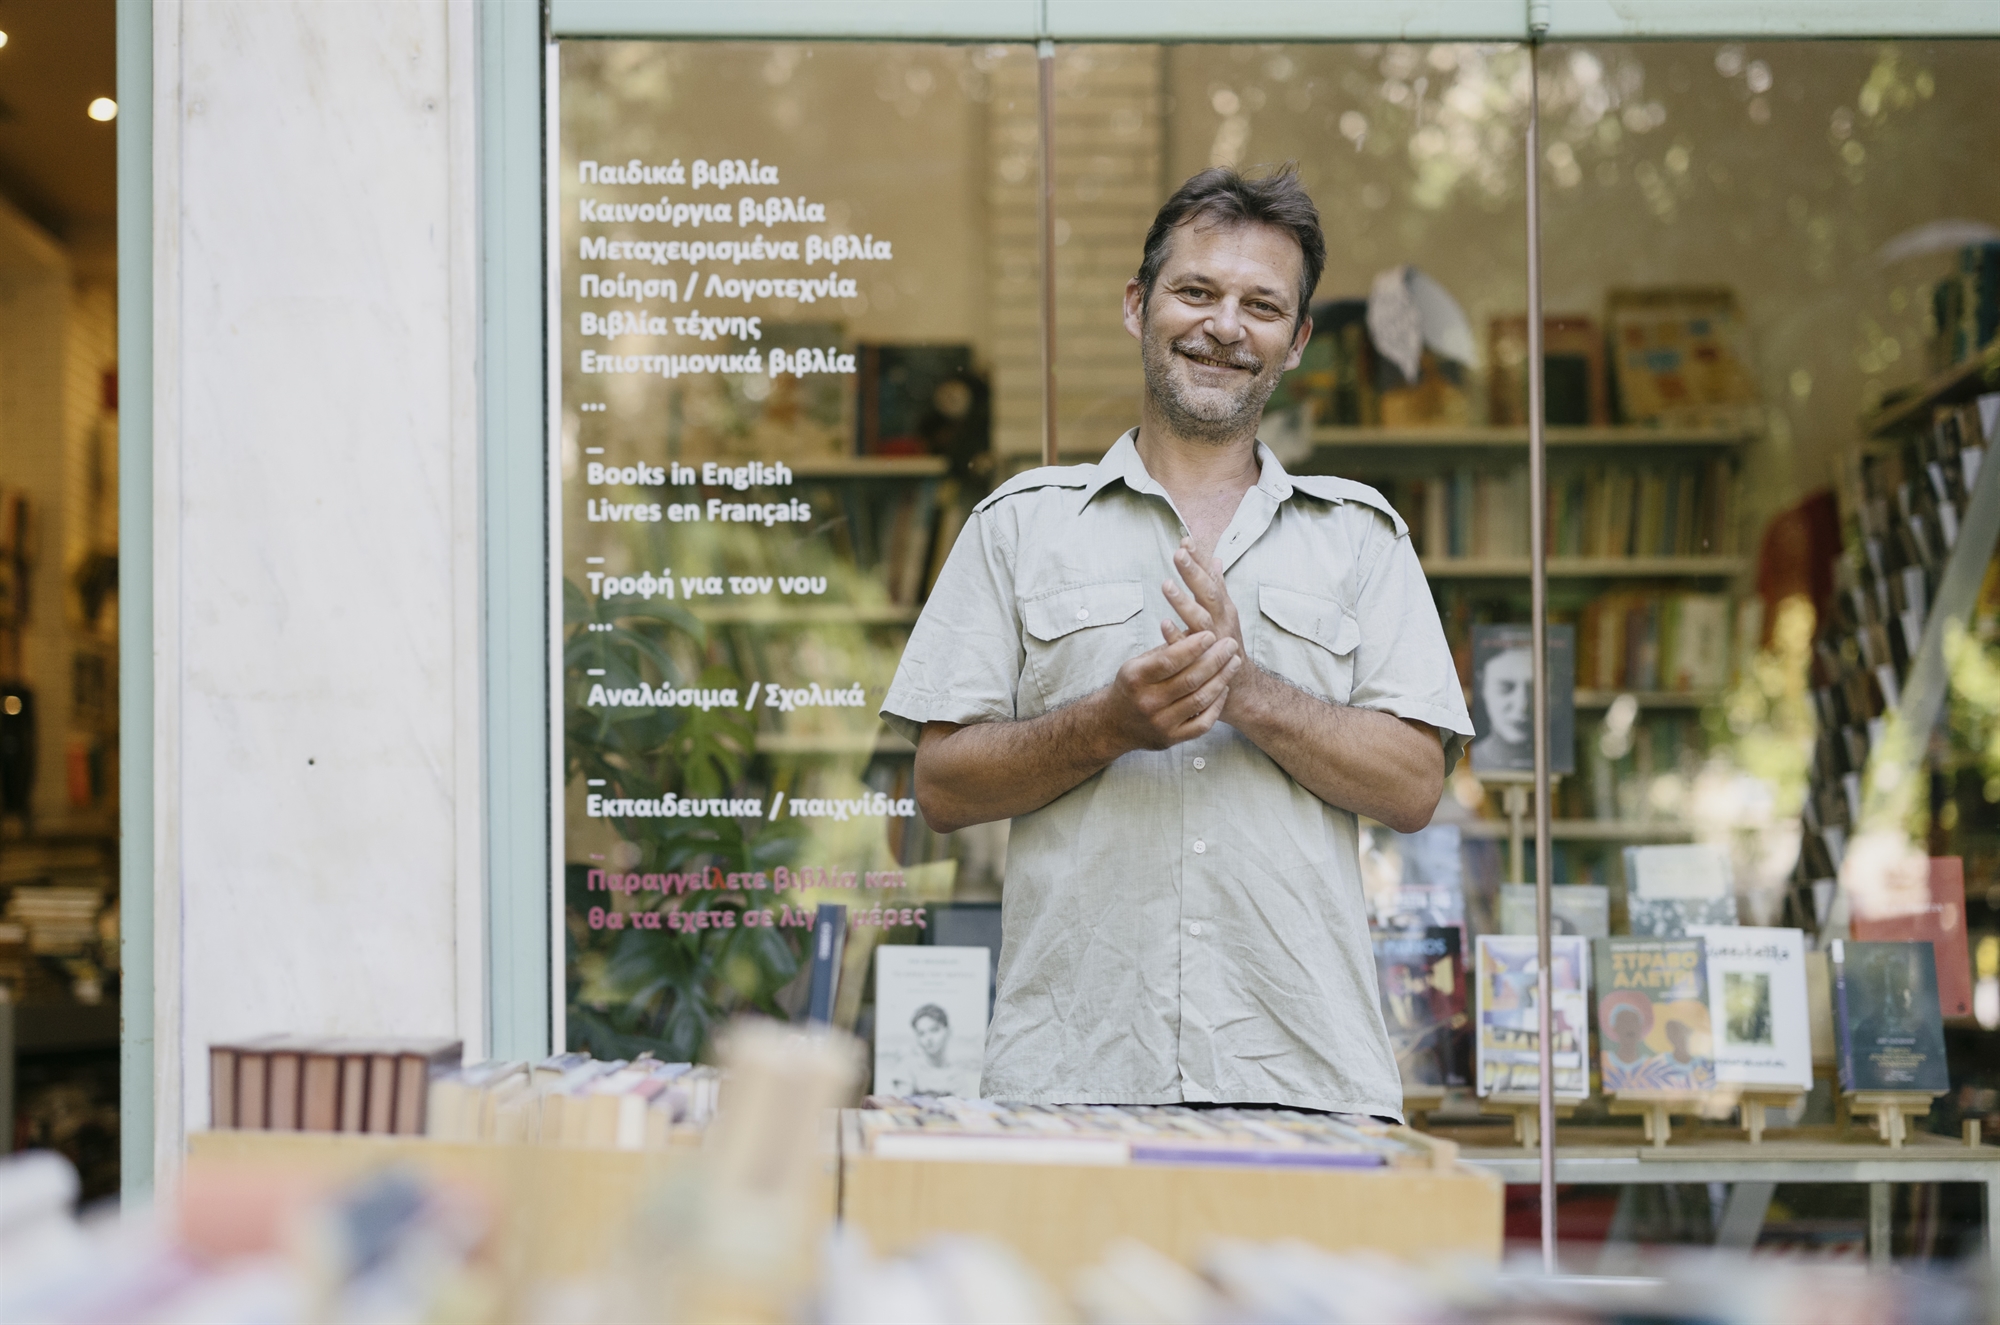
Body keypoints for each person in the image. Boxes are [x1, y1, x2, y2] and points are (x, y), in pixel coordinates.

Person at [881, 165, 1473, 1118]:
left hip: (1307, 1087)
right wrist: (1106, 724)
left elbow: (1412, 786)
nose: (1225, 326)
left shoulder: (1363, 537)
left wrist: (1246, 689)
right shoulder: (1019, 526)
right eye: (1196, 291)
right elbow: (941, 788)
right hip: (1071, 1084)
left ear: (1297, 340)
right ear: (1136, 305)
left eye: (1262, 305)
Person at [1474, 644, 1533, 770]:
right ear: (1482, 687)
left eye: (1534, 690)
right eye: (1505, 688)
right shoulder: (1468, 763)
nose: (1522, 705)